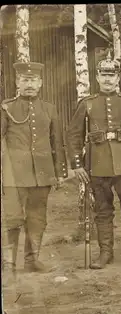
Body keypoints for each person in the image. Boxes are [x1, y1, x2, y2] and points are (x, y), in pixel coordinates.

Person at [66, 53, 121, 270]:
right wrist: (77, 164)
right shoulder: (87, 104)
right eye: (103, 75)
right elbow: (73, 134)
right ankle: (105, 253)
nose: (107, 80)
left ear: (117, 78)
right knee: (103, 211)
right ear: (97, 78)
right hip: (98, 164)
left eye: (111, 75)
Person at [1, 62, 67, 274]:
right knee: (12, 218)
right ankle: (8, 263)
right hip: (14, 175)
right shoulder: (7, 108)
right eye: (24, 80)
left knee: (37, 218)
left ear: (40, 83)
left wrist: (60, 173)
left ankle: (32, 261)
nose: (29, 84)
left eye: (33, 80)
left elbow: (57, 142)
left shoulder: (49, 109)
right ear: (17, 83)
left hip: (42, 174)